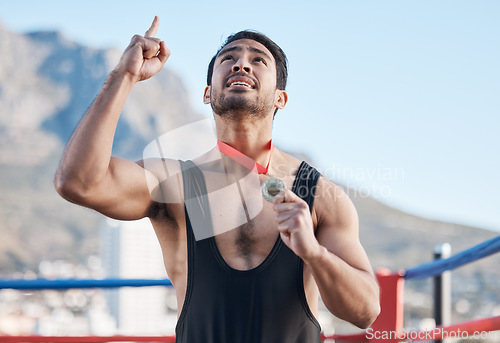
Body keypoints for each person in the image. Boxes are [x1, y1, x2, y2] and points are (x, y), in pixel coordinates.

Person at [55, 16, 380, 343]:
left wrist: (314, 253)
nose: (242, 65)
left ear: (280, 98)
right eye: (229, 58)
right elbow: (77, 182)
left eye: (258, 60)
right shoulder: (174, 183)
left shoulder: (317, 194)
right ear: (208, 93)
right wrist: (123, 76)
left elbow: (365, 311)